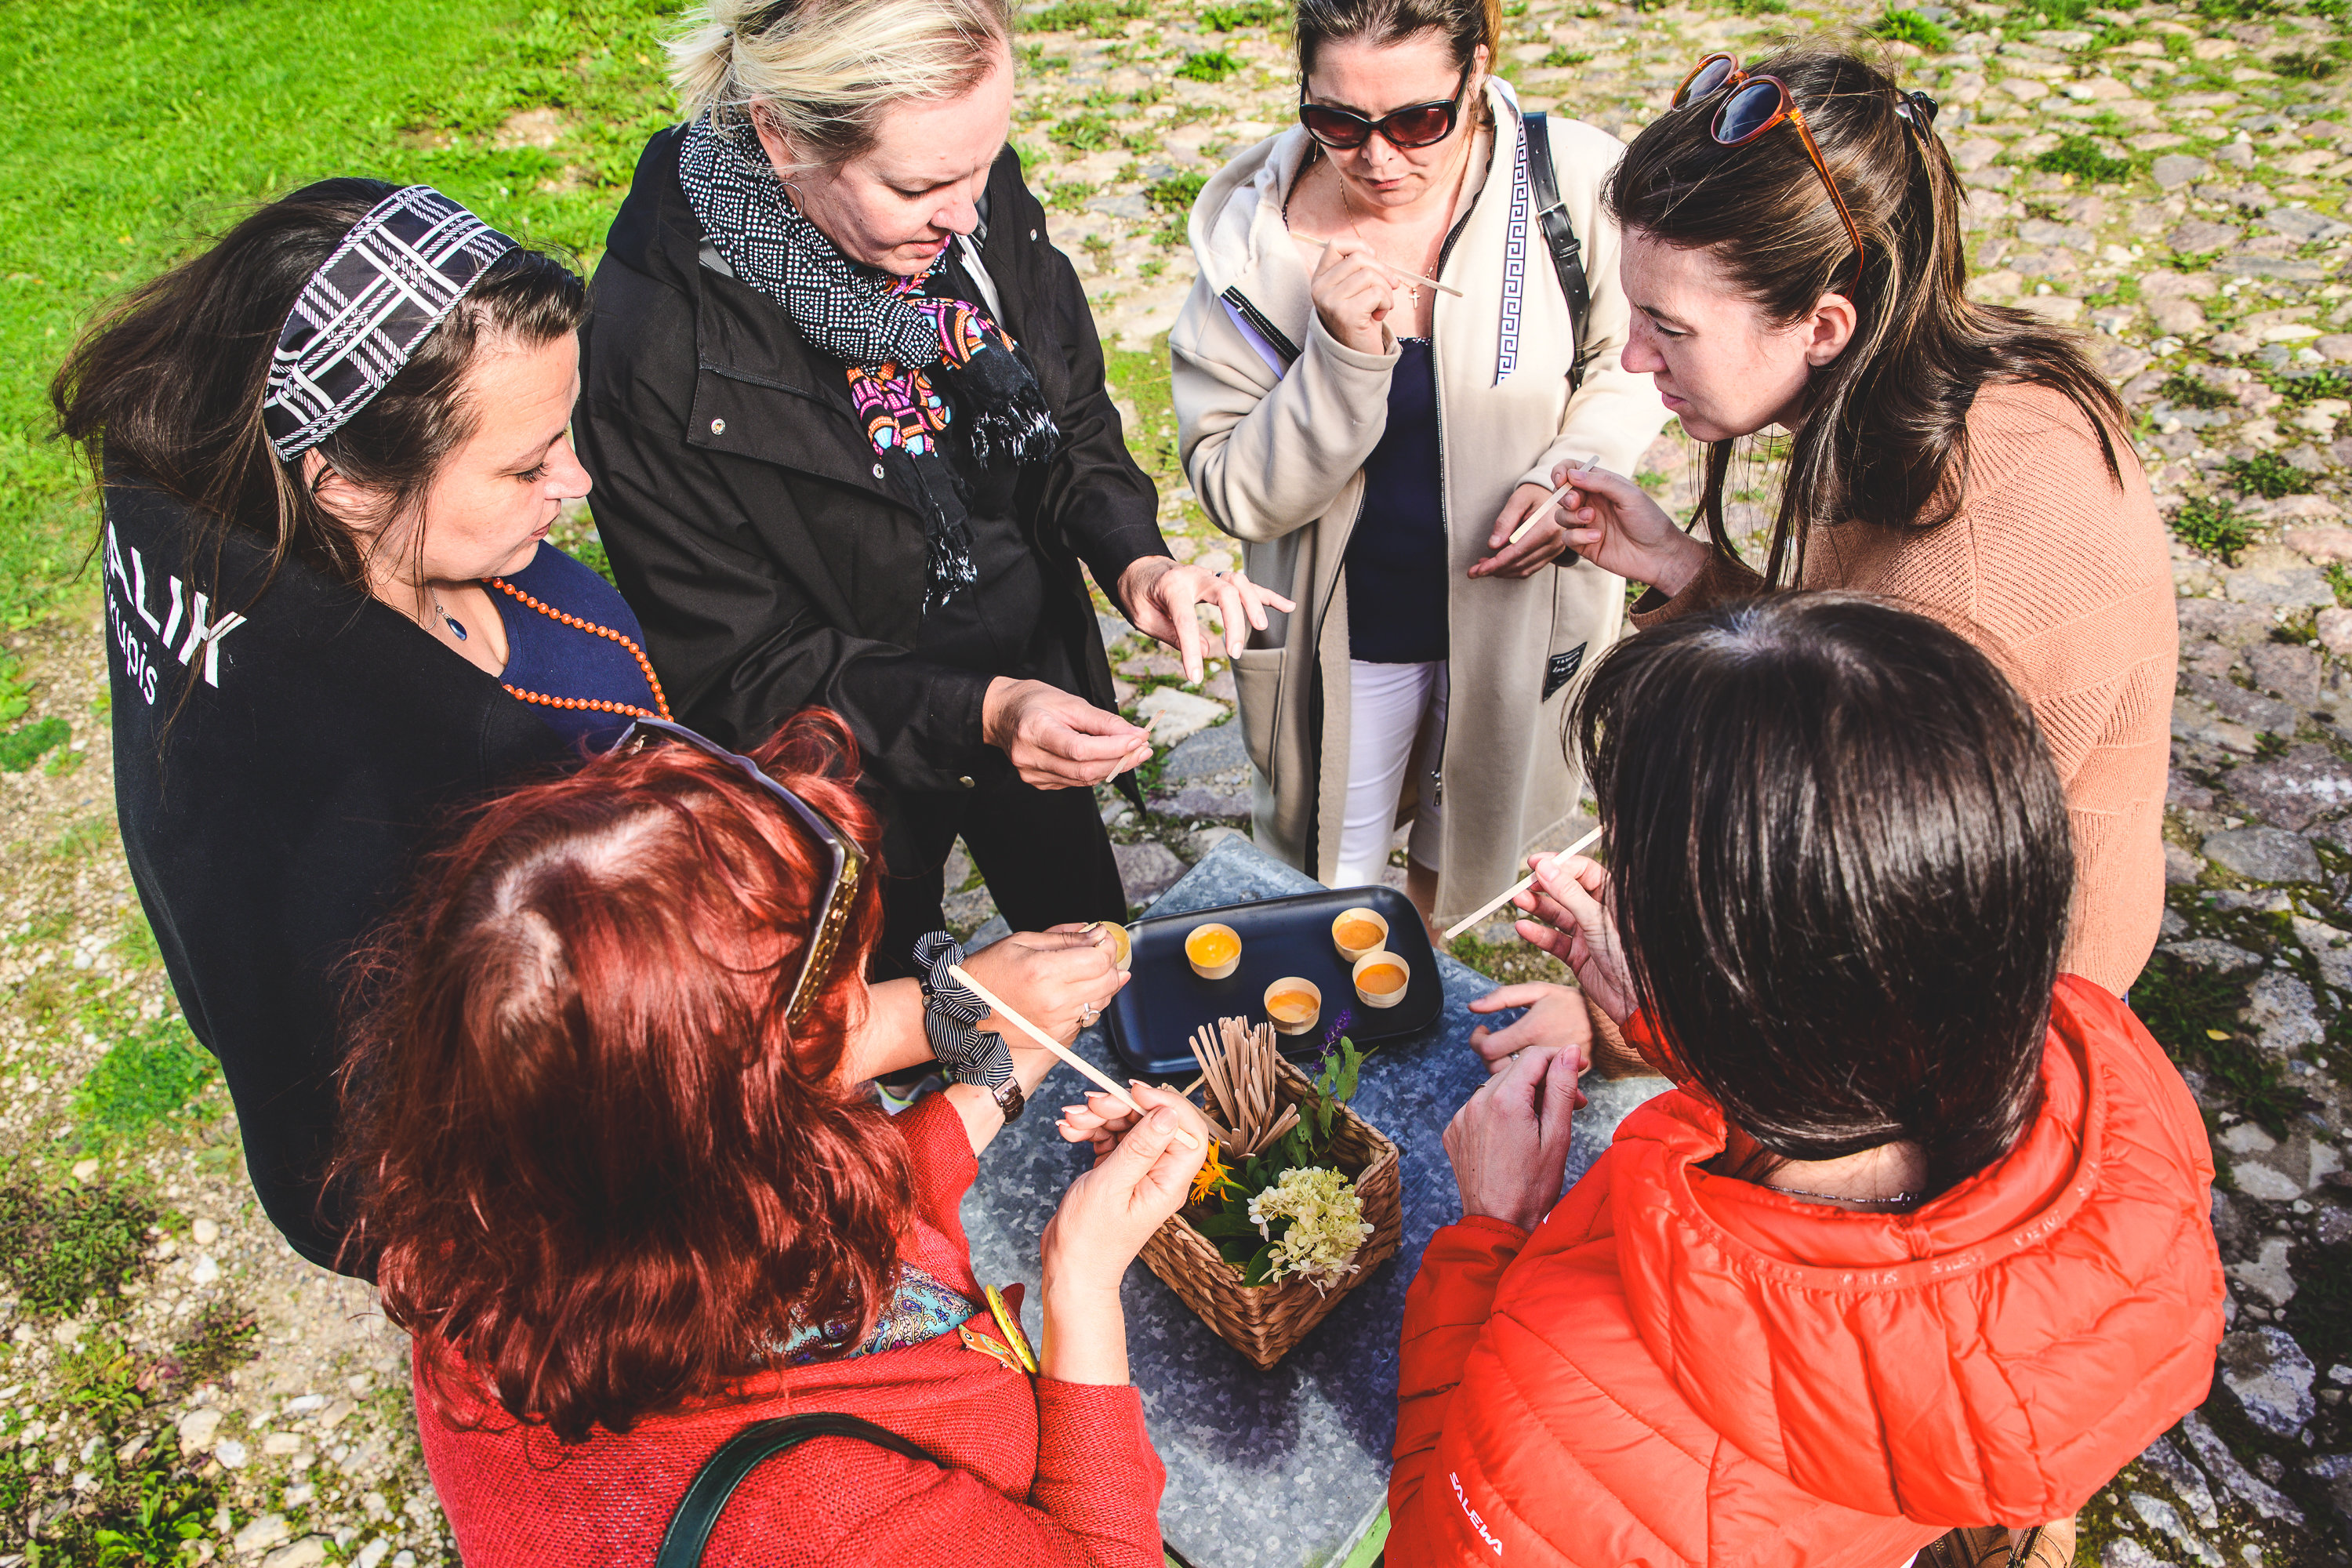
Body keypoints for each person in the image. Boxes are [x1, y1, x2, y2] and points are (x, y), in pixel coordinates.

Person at [53, 179, 1121, 1274]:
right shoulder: (439, 790)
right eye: (525, 465)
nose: (578, 480)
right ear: (348, 482)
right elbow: (651, 1081)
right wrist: (945, 1013)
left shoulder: (269, 545)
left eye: (563, 434)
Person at [1386, 594, 2223, 1566]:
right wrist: (1686, 1023)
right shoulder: (2110, 1094)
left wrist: (1488, 1230)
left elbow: (1432, 1531)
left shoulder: (1564, 1402)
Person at [336, 711, 1208, 1566]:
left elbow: (816, 1217)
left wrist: (998, 1068)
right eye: (843, 1008)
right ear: (735, 1119)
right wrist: (1082, 1271)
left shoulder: (506, 1218)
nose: (879, 1014)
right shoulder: (820, 1522)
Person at [579, 0, 1287, 975]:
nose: (964, 216)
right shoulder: (654, 349)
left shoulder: (957, 176)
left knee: (1094, 948)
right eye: (917, 186)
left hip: (1036, 673)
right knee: (896, 1001)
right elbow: (739, 668)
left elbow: (1065, 407)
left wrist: (1136, 559)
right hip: (851, 775)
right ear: (780, 134)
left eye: (985, 165)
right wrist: (979, 714)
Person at [1537, 44, 2173, 995]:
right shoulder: (1915, 391)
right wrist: (1688, 570)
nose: (1632, 358)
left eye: (1670, 327)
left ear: (1824, 325)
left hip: (1984, 1015)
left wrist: (1639, 994)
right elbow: (1851, 637)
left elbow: (1848, 942)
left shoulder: (1969, 588)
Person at [1170, 0, 1665, 929]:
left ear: (1478, 70)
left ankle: (1425, 971)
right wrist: (1343, 360)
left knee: (1470, 842)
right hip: (1347, 632)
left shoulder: (1570, 182)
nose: (1379, 158)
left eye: (1418, 121)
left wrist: (1573, 466)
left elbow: (1628, 362)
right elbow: (1237, 489)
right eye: (1338, 123)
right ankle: (1344, 1031)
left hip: (1518, 608)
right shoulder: (1252, 246)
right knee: (1331, 878)